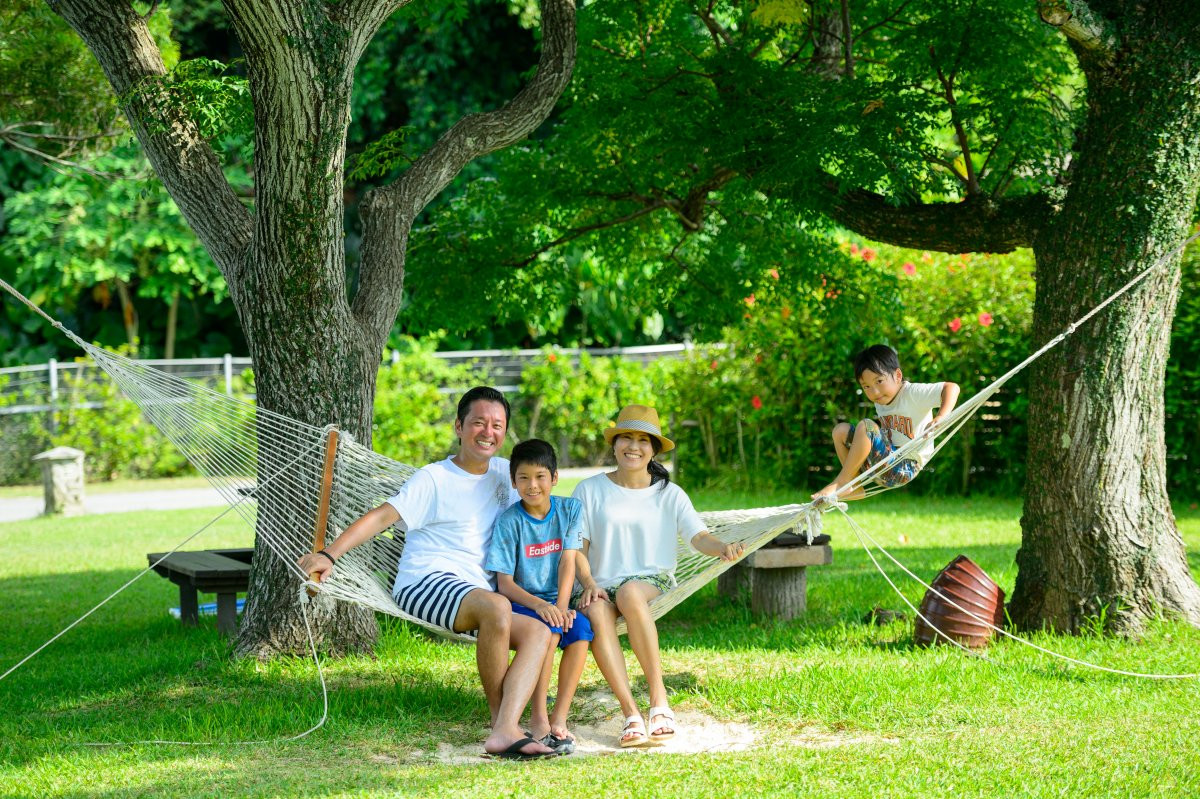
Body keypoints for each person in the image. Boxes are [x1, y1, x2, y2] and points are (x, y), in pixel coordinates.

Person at [296, 386, 558, 760]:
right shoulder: (433, 479)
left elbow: (546, 513)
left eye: (497, 425)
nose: (488, 432)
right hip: (425, 582)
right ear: (459, 426)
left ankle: (507, 725)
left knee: (539, 631)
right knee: (497, 607)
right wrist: (329, 554)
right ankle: (502, 726)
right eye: (479, 422)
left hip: (476, 593)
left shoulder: (507, 474)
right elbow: (383, 515)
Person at [571, 404, 744, 748]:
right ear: (614, 444)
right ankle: (631, 714)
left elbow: (698, 537)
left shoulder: (670, 494)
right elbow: (577, 547)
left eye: (642, 440)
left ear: (653, 450)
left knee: (630, 594)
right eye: (626, 438)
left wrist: (722, 546)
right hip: (599, 585)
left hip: (652, 582)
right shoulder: (589, 490)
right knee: (596, 615)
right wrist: (589, 585)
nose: (633, 446)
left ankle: (659, 699)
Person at [484, 438, 594, 755]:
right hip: (522, 602)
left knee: (581, 630)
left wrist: (560, 606)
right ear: (514, 481)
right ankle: (539, 720)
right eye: (524, 478)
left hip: (557, 600)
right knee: (549, 630)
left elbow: (567, 560)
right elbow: (504, 583)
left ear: (554, 478)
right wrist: (543, 607)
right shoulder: (509, 521)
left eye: (540, 477)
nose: (533, 485)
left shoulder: (569, 509)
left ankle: (559, 716)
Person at [812, 344, 960, 504]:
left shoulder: (913, 393)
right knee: (840, 431)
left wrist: (941, 416)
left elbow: (951, 387)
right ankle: (854, 486)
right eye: (866, 386)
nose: (874, 392)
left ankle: (842, 482)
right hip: (883, 460)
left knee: (866, 426)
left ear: (897, 375)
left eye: (879, 381)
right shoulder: (881, 400)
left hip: (904, 466)